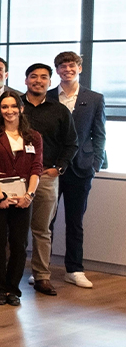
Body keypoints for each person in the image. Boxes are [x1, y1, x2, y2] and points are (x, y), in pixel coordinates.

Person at [47, 51, 106, 289]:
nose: (67, 70)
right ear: (57, 71)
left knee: (75, 221)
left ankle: (74, 269)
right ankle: (42, 269)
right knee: (45, 222)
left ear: (79, 68)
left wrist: (95, 163)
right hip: (51, 168)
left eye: (71, 66)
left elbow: (99, 133)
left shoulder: (94, 98)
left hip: (81, 168)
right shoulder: (48, 96)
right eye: (62, 66)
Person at [22, 63, 78, 296]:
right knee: (11, 229)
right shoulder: (14, 105)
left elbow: (71, 144)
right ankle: (6, 276)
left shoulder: (59, 110)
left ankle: (42, 276)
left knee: (42, 229)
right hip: (16, 177)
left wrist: (59, 168)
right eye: (33, 77)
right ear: (25, 80)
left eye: (43, 77)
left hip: (46, 176)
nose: (38, 81)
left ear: (49, 81)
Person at [0, 91, 42, 306]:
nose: (9, 111)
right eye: (4, 107)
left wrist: (30, 195)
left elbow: (36, 168)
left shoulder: (33, 136)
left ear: (21, 108)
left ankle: (13, 289)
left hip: (24, 198)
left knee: (19, 244)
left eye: (13, 106)